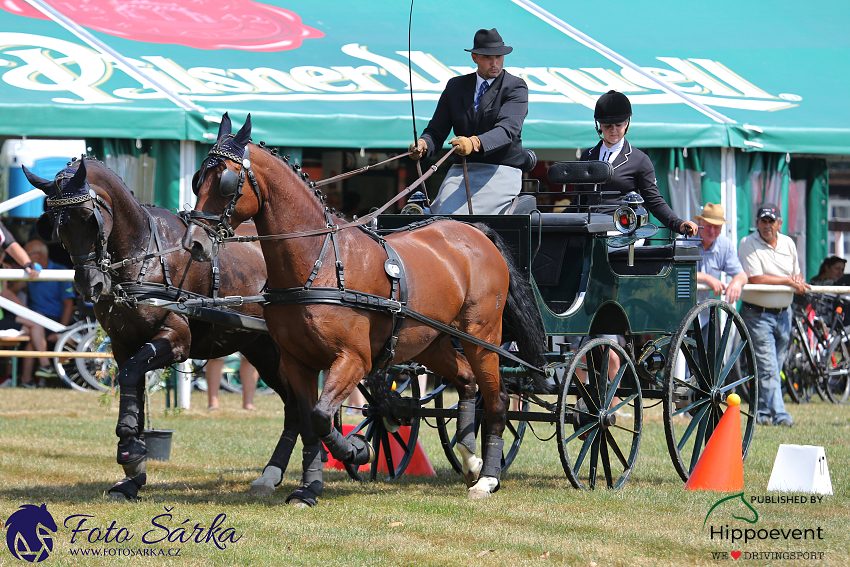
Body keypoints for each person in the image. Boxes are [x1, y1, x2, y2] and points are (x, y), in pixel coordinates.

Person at [409, 28, 533, 214]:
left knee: (462, 218)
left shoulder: (515, 87)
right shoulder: (455, 87)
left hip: (500, 170)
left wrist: (474, 142)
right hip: (461, 169)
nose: (494, 63)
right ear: (474, 57)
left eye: (498, 56)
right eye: (487, 57)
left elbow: (507, 130)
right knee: (440, 215)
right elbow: (436, 131)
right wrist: (423, 144)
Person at [579, 90, 698, 237]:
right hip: (589, 227)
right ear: (599, 125)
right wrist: (547, 221)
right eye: (608, 125)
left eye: (618, 124)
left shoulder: (639, 160)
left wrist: (678, 224)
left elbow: (654, 201)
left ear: (627, 123)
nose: (613, 130)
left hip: (620, 229)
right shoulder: (587, 156)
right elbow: (578, 201)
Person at [738, 203, 809, 427]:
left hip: (784, 314)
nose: (767, 225)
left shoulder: (788, 243)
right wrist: (788, 281)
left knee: (772, 368)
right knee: (769, 368)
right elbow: (756, 278)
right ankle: (780, 414)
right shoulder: (748, 243)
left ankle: (762, 412)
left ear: (779, 223)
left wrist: (796, 280)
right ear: (757, 223)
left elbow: (797, 273)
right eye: (763, 221)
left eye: (771, 221)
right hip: (757, 314)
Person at [0, 223, 54, 388]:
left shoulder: (4, 267)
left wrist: (26, 264)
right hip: (5, 318)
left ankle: (24, 379)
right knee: (36, 323)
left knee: (34, 328)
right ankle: (44, 366)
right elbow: (6, 295)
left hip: (4, 318)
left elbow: (10, 243)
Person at [692, 203, 748, 314]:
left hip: (708, 312)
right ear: (699, 223)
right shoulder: (684, 241)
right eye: (708, 225)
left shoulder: (725, 245)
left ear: (721, 228)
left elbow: (742, 275)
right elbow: (676, 272)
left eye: (716, 227)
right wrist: (707, 278)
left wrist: (737, 282)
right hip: (682, 310)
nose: (712, 231)